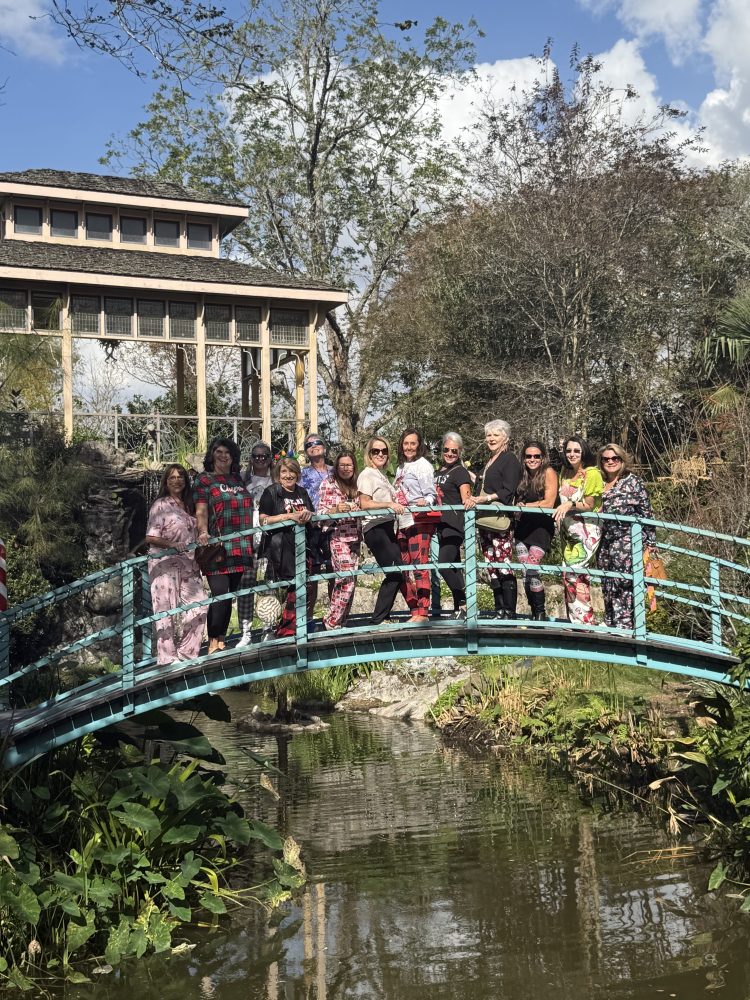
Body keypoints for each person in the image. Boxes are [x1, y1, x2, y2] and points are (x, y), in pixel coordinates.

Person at [194, 438, 255, 653]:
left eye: (227, 452)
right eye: (218, 452)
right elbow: (201, 510)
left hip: (241, 545)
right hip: (217, 547)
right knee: (219, 592)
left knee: (229, 595)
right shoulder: (204, 480)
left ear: (233, 456)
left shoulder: (237, 479)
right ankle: (212, 643)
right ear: (212, 455)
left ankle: (221, 640)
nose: (223, 455)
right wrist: (203, 531)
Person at [145, 464, 207, 665]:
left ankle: (187, 651)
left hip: (189, 563)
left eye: (180, 476)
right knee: (165, 610)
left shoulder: (189, 504)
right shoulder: (160, 505)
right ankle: (167, 657)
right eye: (171, 477)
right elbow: (150, 537)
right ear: (166, 482)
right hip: (164, 562)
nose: (176, 480)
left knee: (199, 605)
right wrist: (172, 544)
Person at [465, 419, 522, 619]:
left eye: (496, 435)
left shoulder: (510, 460)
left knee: (503, 563)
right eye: (489, 435)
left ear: (505, 437)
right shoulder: (490, 461)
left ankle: (510, 611)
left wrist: (486, 498)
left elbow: (508, 490)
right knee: (492, 566)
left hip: (500, 520)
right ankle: (499, 609)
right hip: (485, 521)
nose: (491, 439)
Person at [597, 443, 657, 629]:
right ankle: (610, 620)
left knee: (623, 581)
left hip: (627, 538)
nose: (610, 462)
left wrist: (651, 541)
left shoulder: (632, 481)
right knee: (607, 580)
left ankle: (624, 625)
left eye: (615, 458)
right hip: (603, 539)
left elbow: (646, 512)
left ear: (622, 460)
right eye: (606, 459)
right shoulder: (598, 481)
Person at [357, 437, 410, 625]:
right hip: (375, 528)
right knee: (395, 571)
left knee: (399, 570)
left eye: (384, 451)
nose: (380, 454)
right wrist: (389, 504)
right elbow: (364, 503)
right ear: (369, 454)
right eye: (375, 451)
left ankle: (383, 616)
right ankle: (378, 619)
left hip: (387, 527)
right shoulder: (367, 475)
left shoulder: (381, 475)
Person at [258, 458, 314, 638]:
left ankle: (289, 630)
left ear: (297, 474)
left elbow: (311, 513)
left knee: (298, 589)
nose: (288, 475)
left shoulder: (302, 492)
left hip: (300, 547)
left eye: (292, 471)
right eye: (284, 472)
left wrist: (307, 515)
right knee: (276, 591)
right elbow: (263, 519)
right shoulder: (272, 492)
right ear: (278, 474)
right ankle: (271, 630)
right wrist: (288, 517)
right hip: (279, 548)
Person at [553, 435, 603, 625]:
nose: (572, 454)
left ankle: (585, 622)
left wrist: (571, 504)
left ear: (583, 452)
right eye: (568, 450)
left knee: (577, 572)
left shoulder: (592, 474)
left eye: (576, 450)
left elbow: (589, 504)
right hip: (568, 530)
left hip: (586, 530)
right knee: (568, 574)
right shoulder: (565, 472)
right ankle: (575, 620)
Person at [394, 429, 438, 625]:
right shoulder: (401, 467)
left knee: (420, 566)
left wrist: (425, 501)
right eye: (406, 443)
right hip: (403, 520)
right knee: (403, 566)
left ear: (419, 445)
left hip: (419, 520)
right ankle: (414, 608)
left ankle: (423, 611)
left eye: (413, 443)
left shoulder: (423, 465)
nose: (409, 447)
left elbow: (431, 494)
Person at [317, 451, 362, 630]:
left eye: (349, 465)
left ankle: (341, 621)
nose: (345, 468)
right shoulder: (328, 483)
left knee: (352, 582)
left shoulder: (358, 484)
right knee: (346, 578)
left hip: (355, 538)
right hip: (337, 536)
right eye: (342, 465)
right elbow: (319, 513)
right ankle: (331, 620)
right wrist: (335, 509)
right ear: (336, 466)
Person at [515, 441, 557, 621]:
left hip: (541, 528)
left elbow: (549, 502)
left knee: (532, 569)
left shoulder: (548, 473)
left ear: (542, 457)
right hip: (523, 528)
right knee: (525, 571)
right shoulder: (522, 475)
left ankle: (540, 612)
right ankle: (533, 612)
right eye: (528, 456)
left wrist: (526, 506)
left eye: (536, 456)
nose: (532, 459)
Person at [433, 432, 473, 620]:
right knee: (455, 566)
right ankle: (461, 609)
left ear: (459, 452)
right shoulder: (438, 472)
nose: (449, 453)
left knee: (444, 565)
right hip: (440, 525)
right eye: (446, 450)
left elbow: (466, 498)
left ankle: (466, 602)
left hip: (454, 524)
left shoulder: (460, 471)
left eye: (454, 451)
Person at [300, 431, 334, 613]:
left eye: (317, 442)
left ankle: (335, 614)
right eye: (308, 445)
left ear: (324, 446)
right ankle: (309, 617)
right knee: (311, 575)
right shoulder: (302, 473)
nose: (313, 446)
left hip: (334, 526)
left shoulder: (335, 470)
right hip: (311, 527)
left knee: (333, 572)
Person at [241, 439, 274, 626]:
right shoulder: (241, 478)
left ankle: (268, 627)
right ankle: (245, 629)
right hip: (247, 536)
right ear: (251, 459)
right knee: (246, 584)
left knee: (270, 583)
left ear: (270, 459)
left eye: (264, 456)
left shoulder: (276, 479)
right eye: (256, 456)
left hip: (268, 537)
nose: (260, 459)